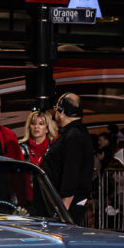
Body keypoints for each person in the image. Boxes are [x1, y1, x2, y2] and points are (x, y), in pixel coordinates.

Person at [41, 93, 94, 225]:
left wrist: (63, 211)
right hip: (64, 205)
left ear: (62, 111)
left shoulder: (73, 135)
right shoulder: (75, 133)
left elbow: (72, 172)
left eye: (56, 107)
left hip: (66, 208)